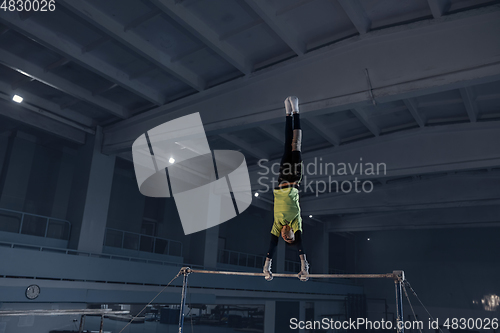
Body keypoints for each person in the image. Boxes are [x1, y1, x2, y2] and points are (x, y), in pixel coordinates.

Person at [263, 96, 309, 282]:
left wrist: (267, 267)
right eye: (287, 238)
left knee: (285, 144)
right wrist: (304, 266)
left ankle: (287, 113)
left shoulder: (277, 224)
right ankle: (296, 111)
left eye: (283, 237)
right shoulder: (295, 222)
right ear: (292, 235)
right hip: (294, 177)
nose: (283, 236)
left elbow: (271, 245)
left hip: (282, 179)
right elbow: (301, 245)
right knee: (295, 143)